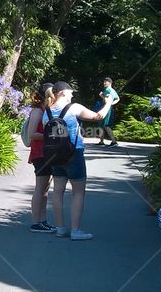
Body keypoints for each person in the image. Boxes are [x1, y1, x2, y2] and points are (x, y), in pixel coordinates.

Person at [47, 81, 113, 241]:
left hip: (55, 156)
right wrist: (109, 103)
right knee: (78, 192)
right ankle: (76, 230)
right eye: (70, 93)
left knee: (57, 191)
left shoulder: (47, 111)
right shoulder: (74, 108)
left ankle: (60, 228)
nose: (72, 95)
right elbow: (99, 116)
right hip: (73, 154)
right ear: (62, 93)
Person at [26, 83, 57, 233]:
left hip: (47, 154)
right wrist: (50, 136)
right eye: (54, 92)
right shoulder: (38, 111)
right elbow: (32, 134)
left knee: (45, 189)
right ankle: (35, 222)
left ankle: (43, 221)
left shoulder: (46, 110)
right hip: (40, 154)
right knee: (40, 188)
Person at [96, 77, 121, 147]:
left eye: (105, 82)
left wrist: (102, 96)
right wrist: (112, 103)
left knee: (106, 125)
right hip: (108, 108)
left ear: (110, 83)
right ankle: (101, 141)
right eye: (104, 82)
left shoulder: (107, 90)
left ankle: (114, 141)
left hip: (105, 108)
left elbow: (106, 101)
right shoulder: (112, 90)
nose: (104, 83)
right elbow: (118, 98)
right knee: (102, 125)